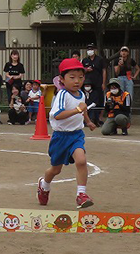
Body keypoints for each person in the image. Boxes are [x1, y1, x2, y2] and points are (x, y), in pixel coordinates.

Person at [37, 58, 97, 209]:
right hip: (60, 137)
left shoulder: (81, 94)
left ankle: (81, 195)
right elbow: (57, 114)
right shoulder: (62, 95)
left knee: (81, 161)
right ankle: (44, 185)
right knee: (55, 169)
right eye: (72, 77)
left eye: (81, 77)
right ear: (62, 80)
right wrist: (77, 110)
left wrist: (88, 121)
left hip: (76, 134)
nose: (77, 81)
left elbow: (83, 109)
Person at [82, 44, 107, 124]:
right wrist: (86, 70)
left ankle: (99, 118)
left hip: (98, 83)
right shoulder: (85, 60)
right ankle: (87, 118)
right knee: (87, 100)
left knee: (99, 100)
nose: (90, 50)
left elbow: (104, 71)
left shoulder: (100, 60)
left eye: (91, 49)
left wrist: (103, 83)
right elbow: (81, 71)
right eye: (88, 49)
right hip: (87, 84)